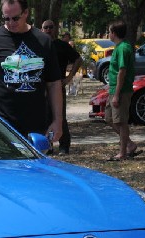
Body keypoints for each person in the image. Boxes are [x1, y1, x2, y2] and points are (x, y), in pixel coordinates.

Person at [0, 0, 63, 144]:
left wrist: (58, 121)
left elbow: (54, 84)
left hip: (35, 126)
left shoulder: (43, 41)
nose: (10, 22)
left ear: (26, 13)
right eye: (6, 18)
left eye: (15, 18)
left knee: (36, 167)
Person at [41, 20, 83, 155]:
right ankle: (48, 146)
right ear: (41, 29)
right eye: (45, 27)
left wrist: (69, 77)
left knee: (60, 116)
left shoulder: (62, 45)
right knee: (44, 117)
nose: (48, 30)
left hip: (58, 86)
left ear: (55, 29)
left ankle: (64, 146)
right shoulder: (39, 45)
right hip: (41, 87)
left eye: (50, 27)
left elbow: (78, 59)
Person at [105, 20, 139, 161]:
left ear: (114, 33)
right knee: (109, 118)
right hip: (113, 89)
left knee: (121, 121)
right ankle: (129, 144)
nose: (108, 34)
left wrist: (117, 95)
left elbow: (122, 72)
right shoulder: (118, 47)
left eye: (109, 32)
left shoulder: (124, 48)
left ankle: (123, 153)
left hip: (121, 91)